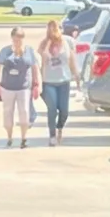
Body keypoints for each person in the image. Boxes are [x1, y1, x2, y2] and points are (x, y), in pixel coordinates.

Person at [0, 26, 41, 148]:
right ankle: (9, 137)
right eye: (16, 38)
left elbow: (35, 67)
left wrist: (37, 83)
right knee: (7, 112)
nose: (18, 40)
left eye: (21, 37)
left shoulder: (29, 51)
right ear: (12, 38)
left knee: (24, 112)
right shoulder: (5, 51)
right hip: (7, 87)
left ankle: (24, 138)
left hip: (24, 87)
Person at [37, 18, 76, 146]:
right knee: (52, 108)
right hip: (48, 82)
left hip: (64, 81)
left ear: (61, 29)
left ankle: (60, 127)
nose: (54, 31)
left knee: (64, 111)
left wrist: (77, 76)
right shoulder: (44, 44)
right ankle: (52, 135)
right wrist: (48, 43)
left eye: (56, 28)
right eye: (51, 28)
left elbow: (71, 60)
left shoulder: (68, 41)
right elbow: (42, 60)